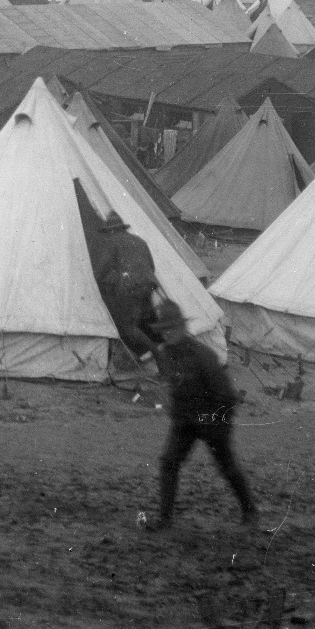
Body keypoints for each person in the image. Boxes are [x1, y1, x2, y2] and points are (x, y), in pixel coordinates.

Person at [141, 302, 257, 531]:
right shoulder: (166, 354)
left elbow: (226, 395)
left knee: (226, 466)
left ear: (183, 328)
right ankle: (165, 520)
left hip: (213, 419)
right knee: (168, 462)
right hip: (186, 420)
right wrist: (178, 414)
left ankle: (250, 512)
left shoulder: (203, 355)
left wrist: (218, 423)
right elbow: (175, 387)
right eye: (164, 330)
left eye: (172, 328)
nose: (168, 334)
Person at [92, 211, 161, 360]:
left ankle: (155, 352)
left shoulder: (112, 242)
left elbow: (100, 272)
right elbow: (151, 267)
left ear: (111, 230)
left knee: (126, 326)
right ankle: (147, 352)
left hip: (131, 288)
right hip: (149, 285)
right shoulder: (140, 241)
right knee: (142, 320)